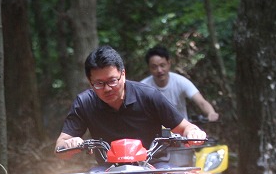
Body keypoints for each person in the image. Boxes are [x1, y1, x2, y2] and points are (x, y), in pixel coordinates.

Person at [55, 45, 206, 154]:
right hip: (107, 172)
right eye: (99, 83)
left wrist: (194, 133)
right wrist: (70, 144)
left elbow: (185, 127)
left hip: (154, 167)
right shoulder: (85, 102)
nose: (107, 88)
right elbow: (60, 147)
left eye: (112, 81)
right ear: (90, 82)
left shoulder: (148, 95)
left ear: (123, 74)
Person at [141, 46, 219, 122]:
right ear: (149, 68)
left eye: (162, 65)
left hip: (181, 128)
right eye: (154, 67)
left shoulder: (181, 82)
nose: (159, 70)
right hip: (155, 129)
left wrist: (211, 112)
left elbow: (201, 102)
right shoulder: (142, 87)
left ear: (169, 63)